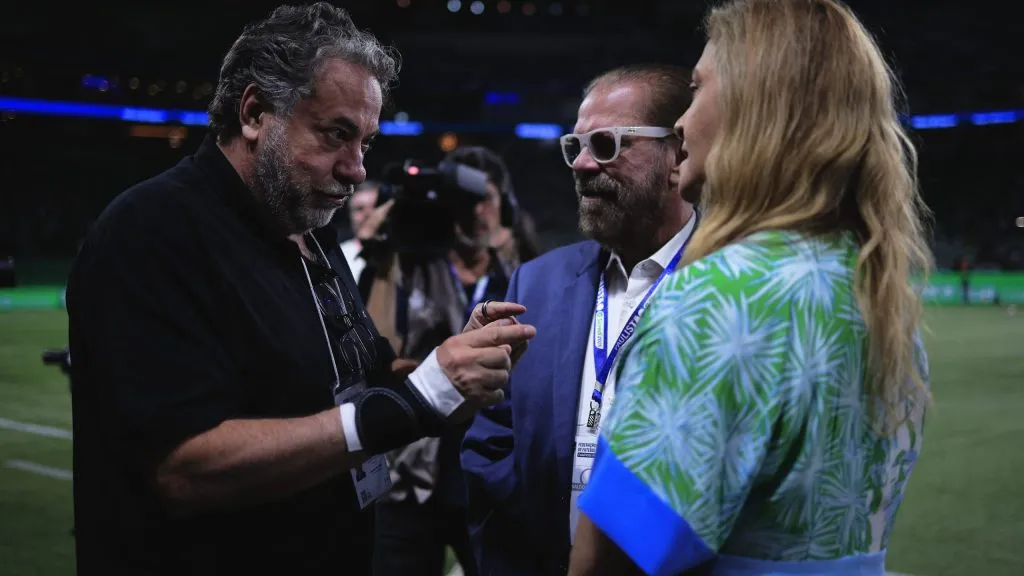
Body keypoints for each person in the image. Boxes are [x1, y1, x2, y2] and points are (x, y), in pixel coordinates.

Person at [65, 4, 535, 576]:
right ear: (256, 112)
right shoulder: (152, 229)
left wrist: (450, 368)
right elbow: (184, 469)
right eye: (336, 134)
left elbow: (366, 381)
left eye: (365, 142)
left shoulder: (309, 231)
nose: (357, 169)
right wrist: (415, 402)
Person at [569, 0, 933, 574]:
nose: (683, 121)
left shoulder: (722, 296)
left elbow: (614, 556)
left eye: (697, 89)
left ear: (755, 109)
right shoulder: (871, 288)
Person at [460, 63, 694, 575]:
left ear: (677, 153)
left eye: (607, 144)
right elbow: (491, 440)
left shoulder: (728, 286)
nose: (583, 165)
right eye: (576, 146)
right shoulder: (536, 285)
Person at [366, 146, 528, 576]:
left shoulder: (523, 277)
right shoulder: (404, 268)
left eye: (485, 198)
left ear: (505, 206)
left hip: (484, 473)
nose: (475, 213)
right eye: (463, 200)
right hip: (406, 476)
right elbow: (374, 352)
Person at [340, 180, 380, 281]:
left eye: (375, 206)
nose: (368, 214)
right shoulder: (339, 258)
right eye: (359, 209)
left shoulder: (404, 254)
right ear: (350, 216)